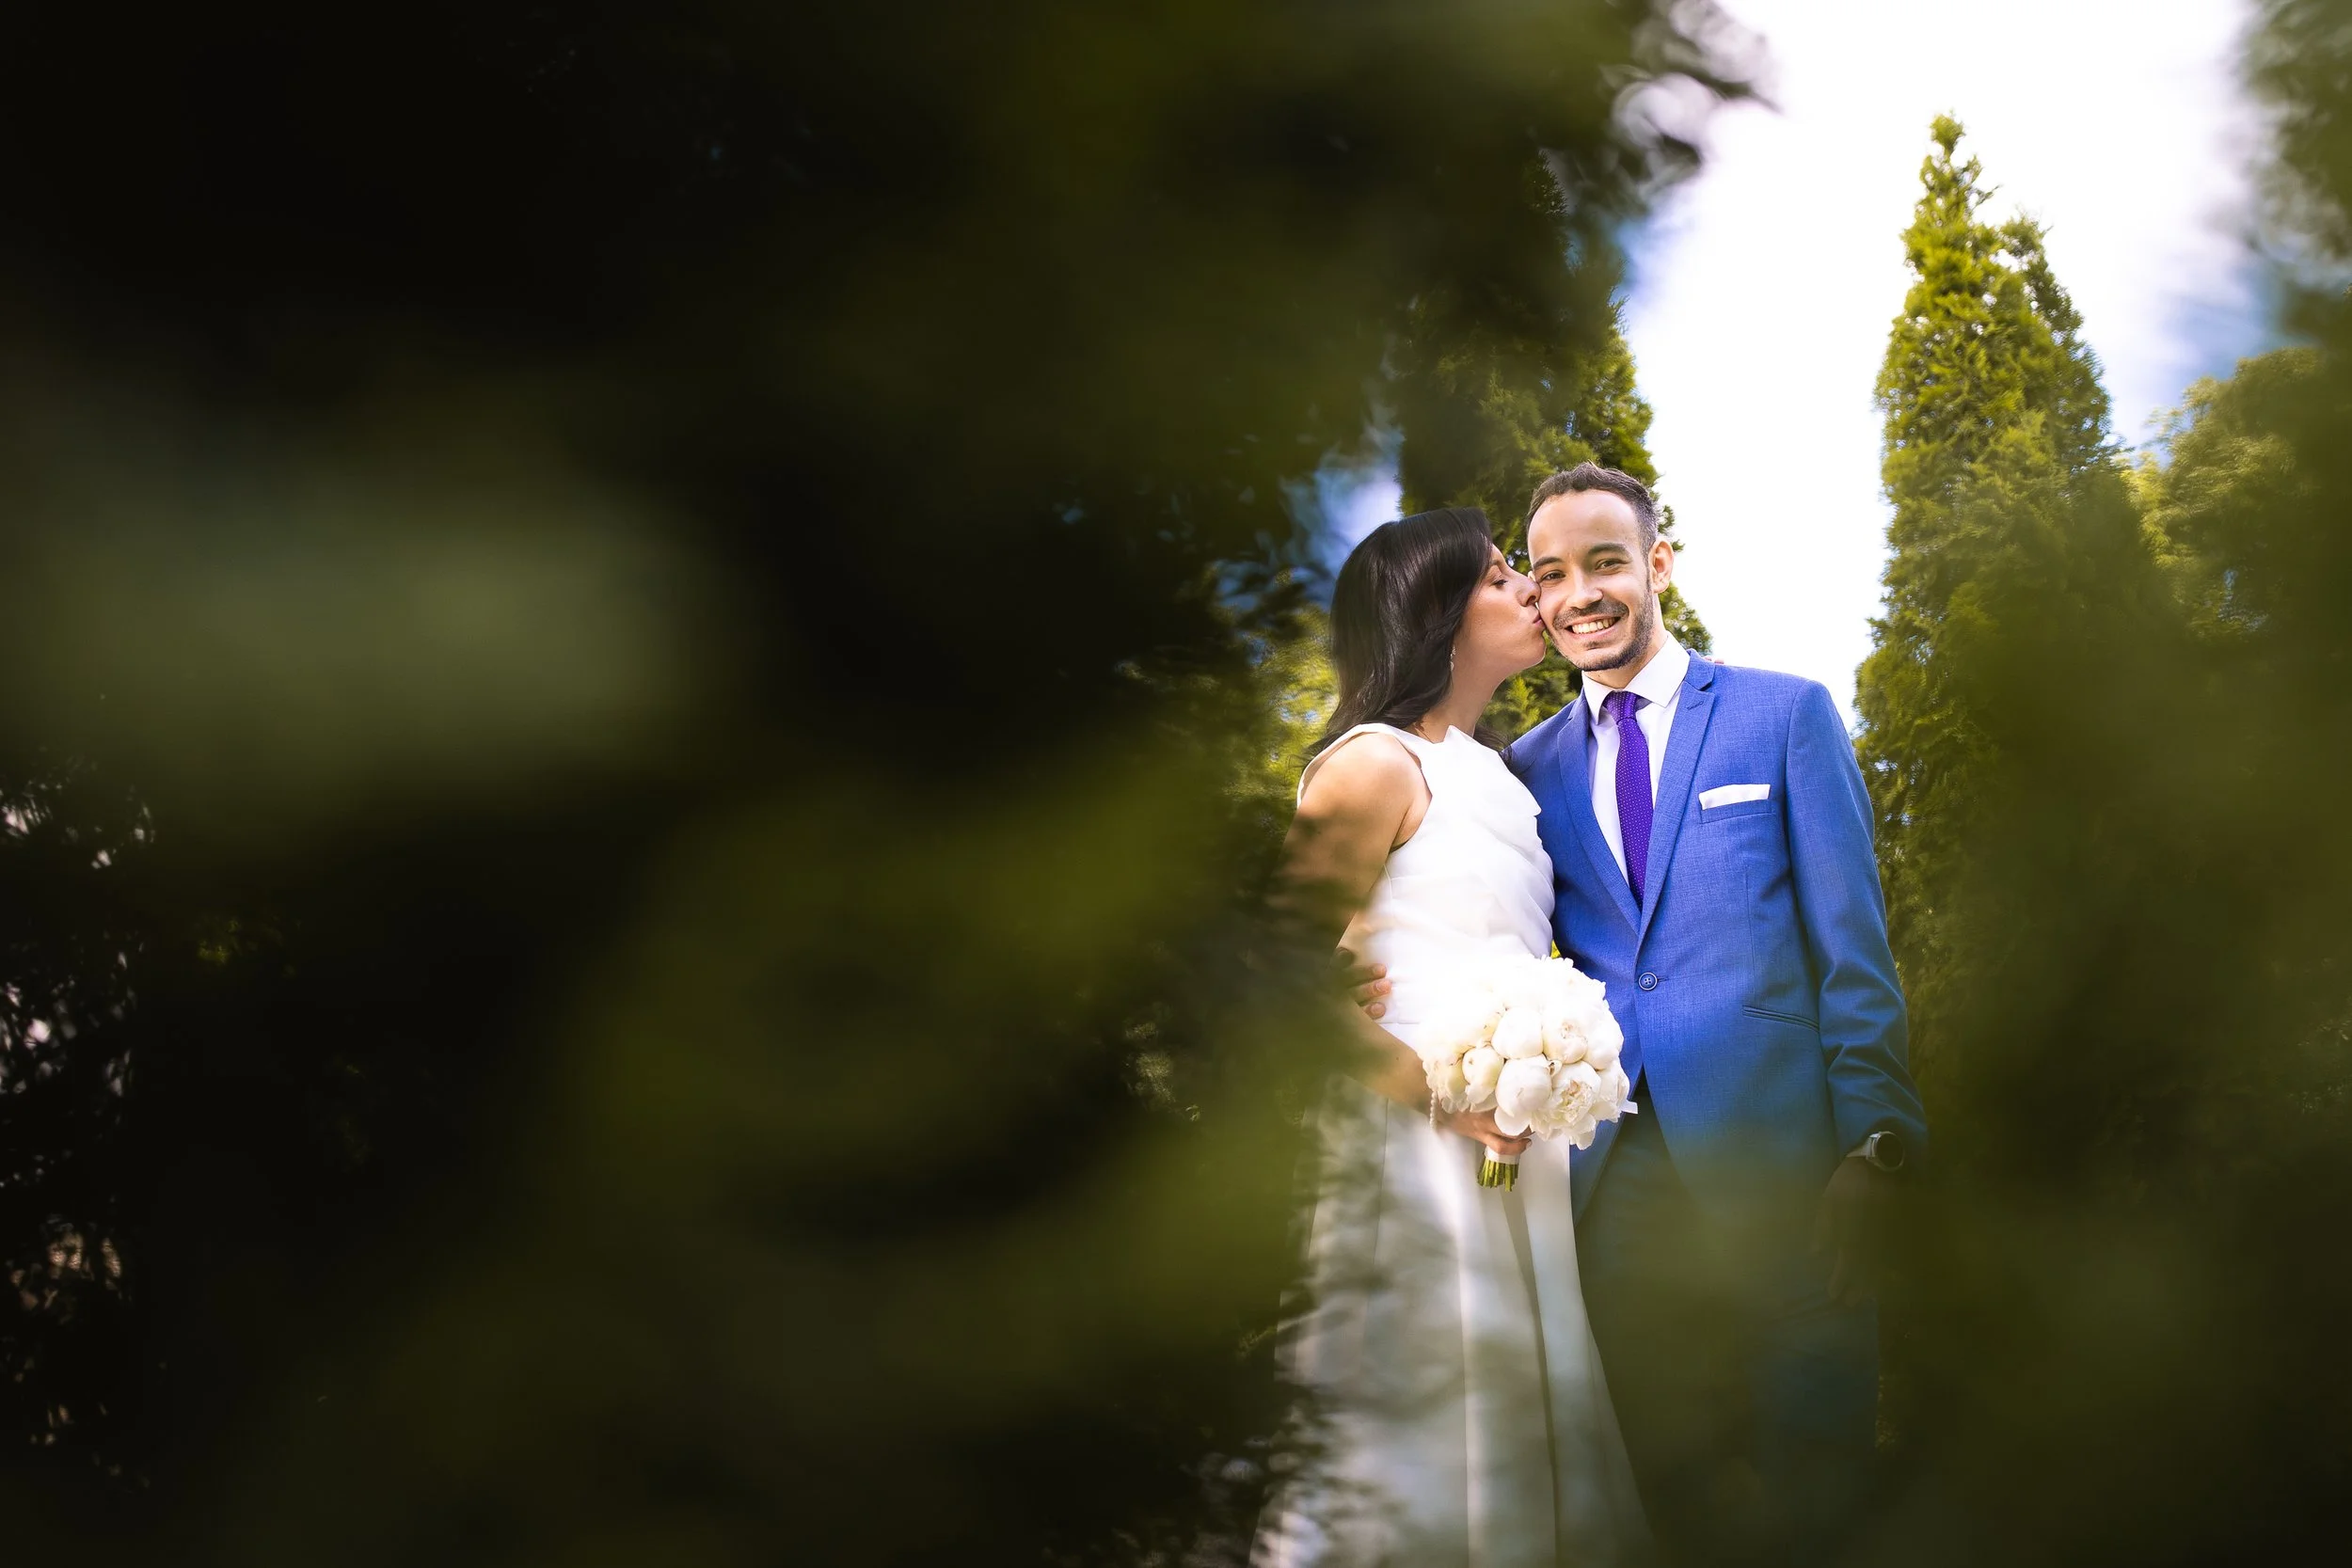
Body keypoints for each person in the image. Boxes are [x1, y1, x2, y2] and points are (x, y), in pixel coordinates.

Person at [1352, 463, 1928, 1564]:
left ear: (1658, 563)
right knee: (1661, 1497)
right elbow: (1462, 910)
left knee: (1822, 1486)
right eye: (1552, 572)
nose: (1578, 595)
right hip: (1609, 1203)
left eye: (1605, 562)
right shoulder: (1523, 771)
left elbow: (1854, 954)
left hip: (1793, 1174)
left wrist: (1879, 1143)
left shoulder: (1782, 714)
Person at [1253, 506, 1649, 1567]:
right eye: (1496, 575)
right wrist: (1444, 1095)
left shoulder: (1502, 776)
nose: (1529, 586)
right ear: (1431, 612)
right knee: (1419, 1412)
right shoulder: (1372, 764)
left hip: (1517, 1149)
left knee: (1527, 1405)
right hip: (1412, 1141)